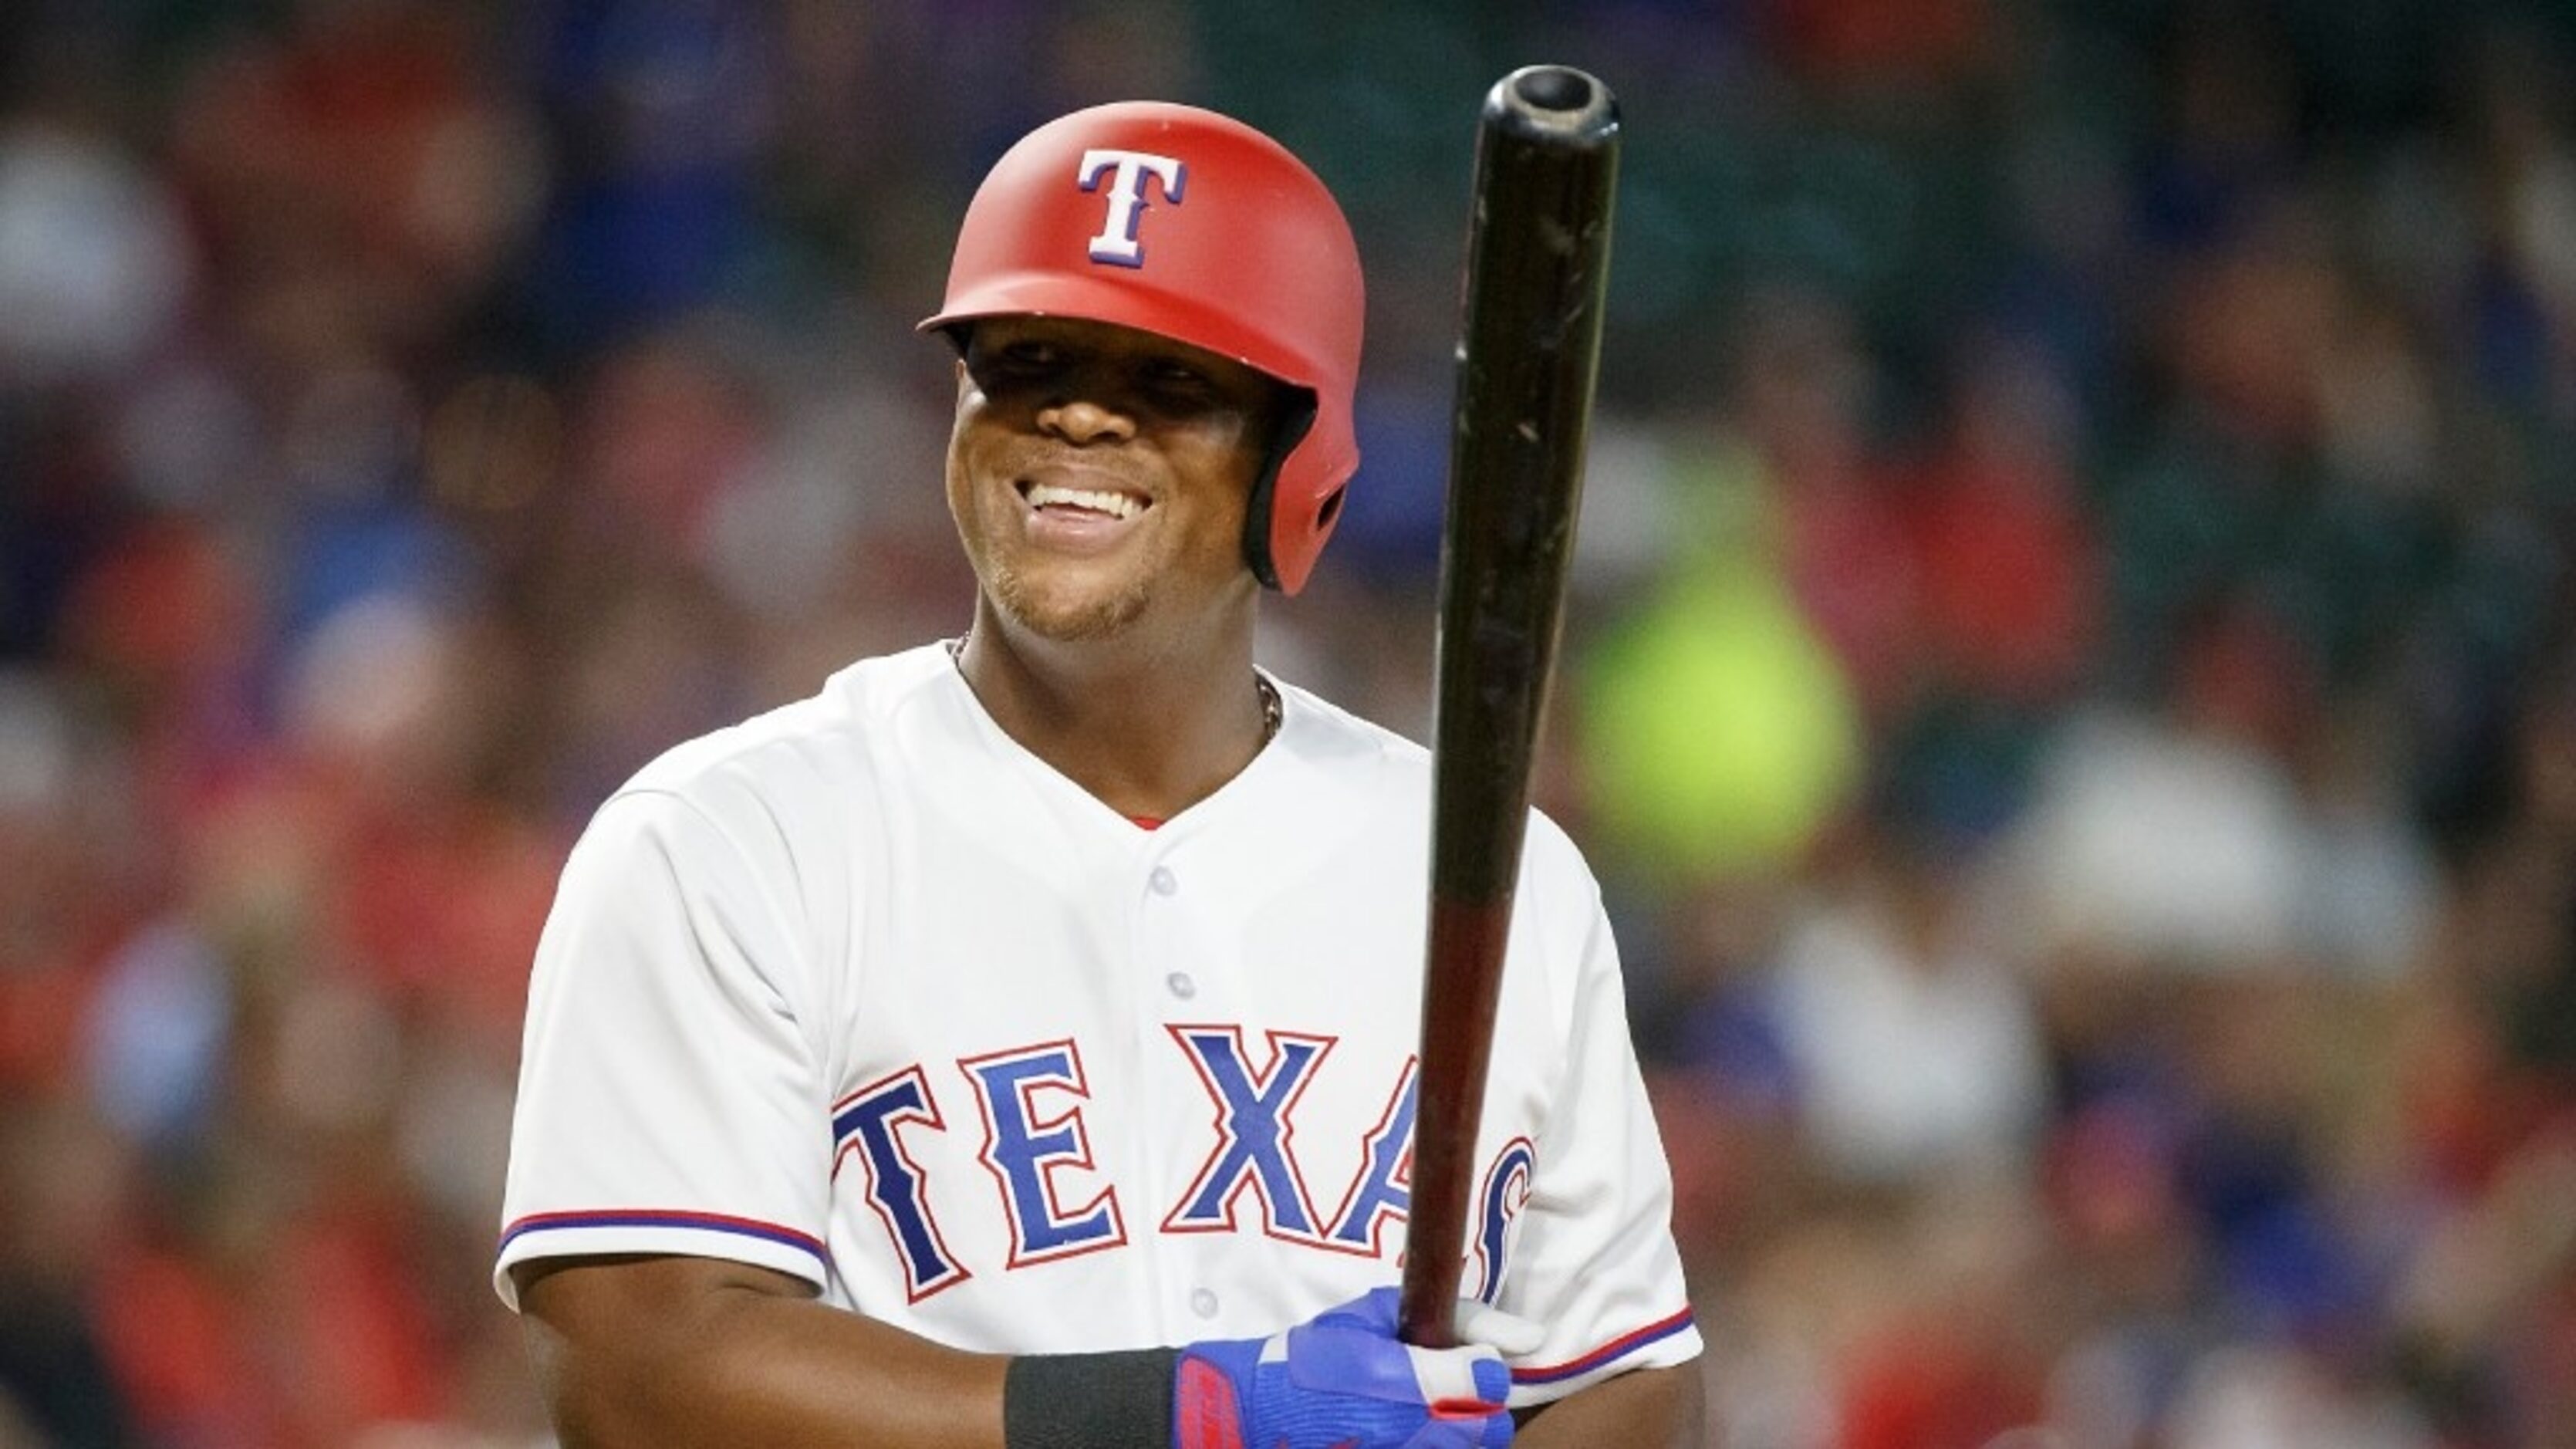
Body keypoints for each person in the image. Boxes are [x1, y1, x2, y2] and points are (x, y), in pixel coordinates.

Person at [495, 100, 1706, 1447]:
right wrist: (1188, 1415)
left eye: (1171, 383)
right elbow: (639, 1377)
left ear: (1301, 466)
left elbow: (1626, 1373)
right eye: (1024, 360)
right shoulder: (727, 842)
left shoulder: (1498, 873)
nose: (1076, 414)